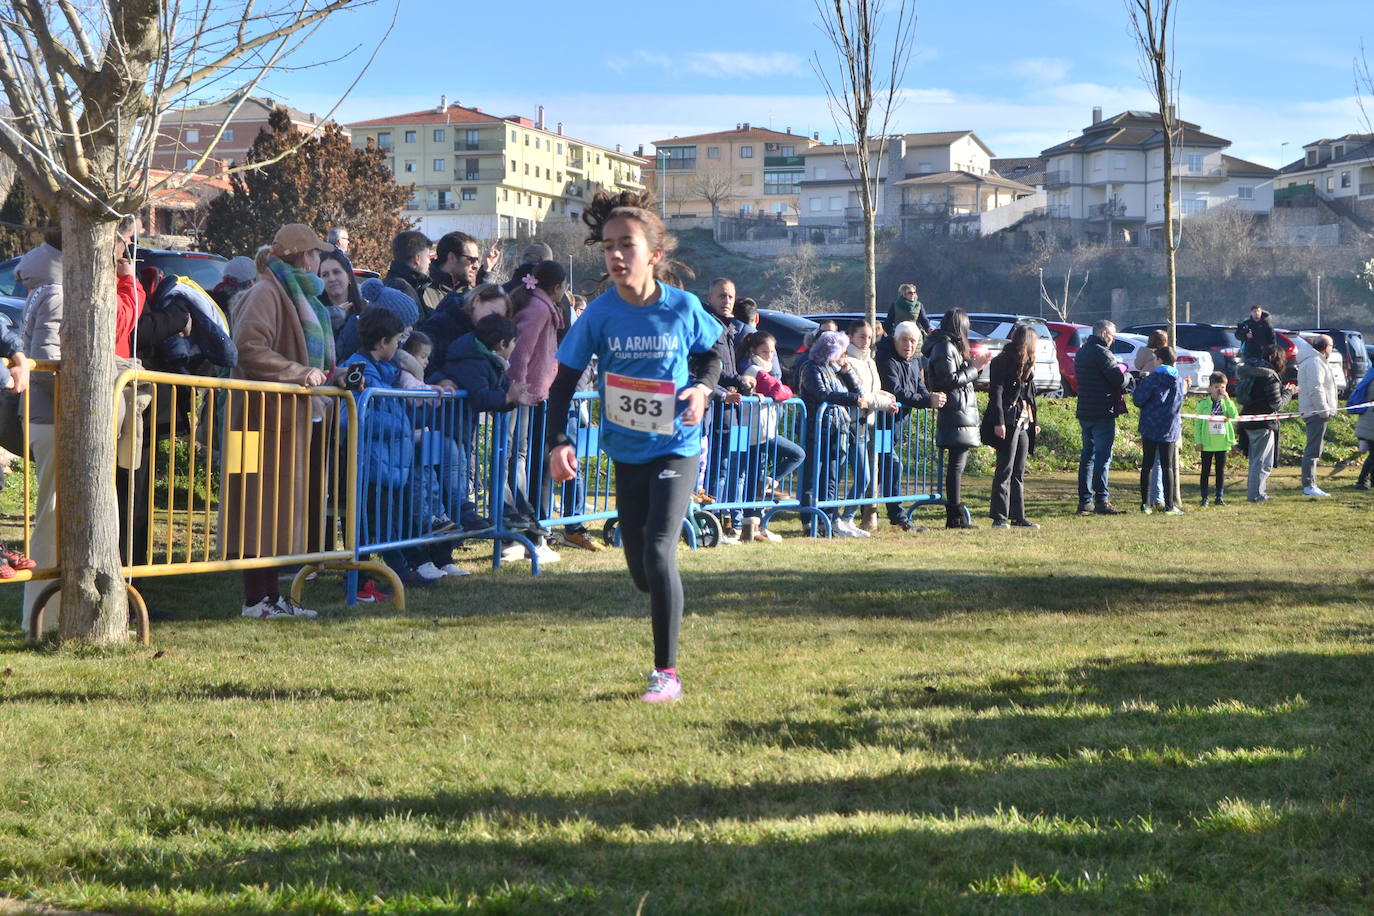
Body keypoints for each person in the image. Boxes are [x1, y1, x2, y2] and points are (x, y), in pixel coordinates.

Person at [545, 189, 723, 704]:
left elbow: (714, 353)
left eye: (627, 245)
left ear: (654, 255)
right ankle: (663, 594)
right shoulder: (599, 315)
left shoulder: (683, 307)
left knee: (660, 548)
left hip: (676, 446)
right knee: (642, 569)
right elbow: (563, 382)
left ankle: (666, 673)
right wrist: (559, 440)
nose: (616, 255)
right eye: (608, 247)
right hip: (626, 449)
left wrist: (702, 388)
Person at [228, 223, 340, 620]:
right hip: (255, 421)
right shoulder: (266, 291)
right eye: (315, 254)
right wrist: (297, 372)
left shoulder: (294, 295)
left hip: (281, 421)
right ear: (300, 256)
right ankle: (256, 600)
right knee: (254, 511)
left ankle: (269, 598)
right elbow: (247, 348)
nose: (320, 261)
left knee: (271, 512)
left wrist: (331, 376)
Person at [924, 308, 991, 529]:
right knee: (956, 466)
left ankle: (956, 513)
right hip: (955, 411)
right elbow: (948, 380)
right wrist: (974, 368)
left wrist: (974, 369)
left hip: (959, 411)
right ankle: (954, 514)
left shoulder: (947, 346)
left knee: (958, 465)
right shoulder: (945, 347)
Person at [875, 320, 944, 532]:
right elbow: (895, 390)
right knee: (889, 467)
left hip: (896, 425)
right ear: (895, 340)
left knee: (881, 470)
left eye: (913, 341)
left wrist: (932, 397)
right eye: (904, 340)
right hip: (880, 424)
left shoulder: (914, 362)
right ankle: (895, 514)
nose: (909, 345)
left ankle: (871, 509)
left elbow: (919, 388)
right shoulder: (885, 358)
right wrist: (926, 401)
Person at [736, 330, 801, 542]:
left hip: (762, 432)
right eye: (765, 352)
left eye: (772, 352)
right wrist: (779, 391)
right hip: (758, 434)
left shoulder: (762, 370)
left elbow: (781, 390)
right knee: (796, 455)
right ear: (753, 351)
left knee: (755, 482)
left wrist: (779, 391)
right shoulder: (755, 370)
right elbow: (783, 391)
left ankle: (755, 526)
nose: (770, 356)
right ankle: (765, 488)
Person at [798, 331, 863, 537]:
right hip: (818, 430)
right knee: (812, 477)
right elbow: (822, 394)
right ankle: (810, 521)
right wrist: (851, 399)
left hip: (838, 429)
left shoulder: (835, 371)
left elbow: (858, 392)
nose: (844, 354)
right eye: (842, 350)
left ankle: (829, 518)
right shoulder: (811, 368)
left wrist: (847, 372)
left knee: (832, 478)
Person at [838, 319, 897, 534]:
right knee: (860, 476)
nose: (866, 341)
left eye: (869, 337)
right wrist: (883, 403)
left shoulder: (870, 362)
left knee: (865, 478)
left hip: (866, 424)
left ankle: (846, 518)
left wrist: (889, 398)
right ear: (851, 337)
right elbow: (861, 396)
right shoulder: (848, 362)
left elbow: (875, 391)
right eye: (861, 336)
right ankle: (842, 518)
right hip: (851, 424)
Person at [981, 324, 1039, 528]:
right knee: (1004, 468)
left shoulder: (1027, 365)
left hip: (1022, 420)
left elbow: (1029, 396)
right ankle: (999, 516)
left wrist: (1034, 422)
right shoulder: (1003, 362)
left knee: (1018, 470)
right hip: (1008, 419)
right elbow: (995, 393)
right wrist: (999, 422)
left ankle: (1018, 516)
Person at [1074, 319, 1131, 515]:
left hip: (1085, 410)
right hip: (1102, 411)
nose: (1113, 340)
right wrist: (1129, 376)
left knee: (1087, 456)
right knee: (1103, 457)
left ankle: (1085, 501)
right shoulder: (1102, 353)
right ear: (1105, 334)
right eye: (1113, 336)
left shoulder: (1082, 351)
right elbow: (1117, 379)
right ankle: (1102, 500)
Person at [1237, 344, 1296, 503]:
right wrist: (1289, 392)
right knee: (1262, 462)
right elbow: (1276, 404)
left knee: (1255, 461)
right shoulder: (1270, 376)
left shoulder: (1252, 371)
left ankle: (1256, 493)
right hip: (1263, 423)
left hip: (1247, 420)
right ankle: (1256, 495)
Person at [1132, 346, 1187, 515]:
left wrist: (1140, 384)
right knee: (1167, 466)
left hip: (1150, 425)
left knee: (1147, 464)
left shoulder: (1152, 379)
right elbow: (1179, 403)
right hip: (1169, 427)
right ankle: (1170, 506)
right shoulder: (1179, 381)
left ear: (1160, 360)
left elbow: (1138, 400)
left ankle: (1145, 504)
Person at [1297, 333, 1339, 498]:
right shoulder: (1315, 362)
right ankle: (1309, 485)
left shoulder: (1316, 361)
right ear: (1325, 347)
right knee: (1313, 450)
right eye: (1331, 346)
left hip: (1315, 411)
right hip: (1316, 412)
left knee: (1315, 448)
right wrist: (1324, 410)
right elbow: (1316, 388)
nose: (1332, 349)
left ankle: (1311, 484)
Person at [1134, 328, 1168, 510]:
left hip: (1148, 414)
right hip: (1162, 417)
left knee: (1150, 460)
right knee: (1160, 462)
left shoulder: (1143, 351)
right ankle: (1159, 498)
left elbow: (1138, 366)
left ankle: (1147, 500)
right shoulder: (1165, 367)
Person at [1192, 371, 1238, 506]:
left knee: (1220, 471)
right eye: (1217, 387)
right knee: (1205, 470)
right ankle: (1204, 497)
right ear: (1210, 388)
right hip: (1207, 443)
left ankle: (1219, 496)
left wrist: (1228, 399)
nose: (1220, 390)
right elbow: (1198, 424)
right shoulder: (1203, 404)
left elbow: (1234, 415)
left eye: (1222, 387)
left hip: (1222, 442)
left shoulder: (1226, 403)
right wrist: (1198, 441)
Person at [383, 230, 435, 314]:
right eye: (427, 256)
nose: (429, 261)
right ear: (417, 259)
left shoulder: (394, 284)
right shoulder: (402, 289)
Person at [319, 249, 365, 335]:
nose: (332, 279)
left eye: (336, 272)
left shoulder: (366, 311)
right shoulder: (316, 315)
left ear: (348, 275)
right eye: (325, 275)